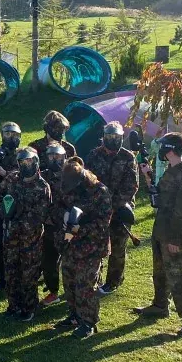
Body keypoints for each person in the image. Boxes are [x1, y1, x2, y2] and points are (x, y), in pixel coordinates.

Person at [134, 133, 182, 338]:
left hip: (173, 235)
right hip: (161, 230)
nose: (161, 151)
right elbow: (161, 199)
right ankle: (160, 305)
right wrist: (147, 177)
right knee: (160, 271)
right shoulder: (171, 171)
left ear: (170, 150)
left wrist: (176, 240)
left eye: (163, 147)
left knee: (178, 275)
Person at [58, 157, 111, 338]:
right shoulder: (70, 187)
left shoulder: (99, 192)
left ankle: (88, 322)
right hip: (71, 244)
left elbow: (103, 224)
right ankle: (74, 316)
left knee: (86, 285)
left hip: (92, 246)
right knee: (69, 281)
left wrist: (80, 229)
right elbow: (61, 207)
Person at [0, 148, 50, 322]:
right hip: (11, 236)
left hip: (31, 239)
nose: (26, 166)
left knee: (29, 274)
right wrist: (2, 210)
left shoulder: (43, 187)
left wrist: (16, 213)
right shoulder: (12, 178)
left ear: (36, 162)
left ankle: (29, 308)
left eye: (29, 162)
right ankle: (13, 305)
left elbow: (40, 216)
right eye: (22, 163)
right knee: (11, 272)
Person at [85, 122, 139, 295]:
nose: (113, 140)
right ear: (104, 137)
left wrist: (114, 207)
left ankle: (113, 281)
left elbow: (131, 186)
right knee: (96, 245)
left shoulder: (128, 157)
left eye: (116, 137)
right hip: (98, 209)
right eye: (109, 137)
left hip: (120, 209)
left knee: (117, 247)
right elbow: (88, 181)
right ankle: (95, 278)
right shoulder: (94, 155)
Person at [0, 121, 22, 289]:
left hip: (17, 205)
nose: (12, 138)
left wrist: (5, 173)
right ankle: (1, 276)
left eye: (15, 135)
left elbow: (26, 177)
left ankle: (15, 274)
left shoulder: (24, 155)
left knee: (14, 242)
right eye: (8, 134)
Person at [40, 143, 69, 306]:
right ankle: (53, 292)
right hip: (49, 226)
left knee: (70, 262)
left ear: (64, 157)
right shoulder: (42, 176)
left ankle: (73, 293)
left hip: (68, 226)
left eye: (57, 156)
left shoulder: (72, 175)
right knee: (48, 262)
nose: (54, 159)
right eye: (51, 156)